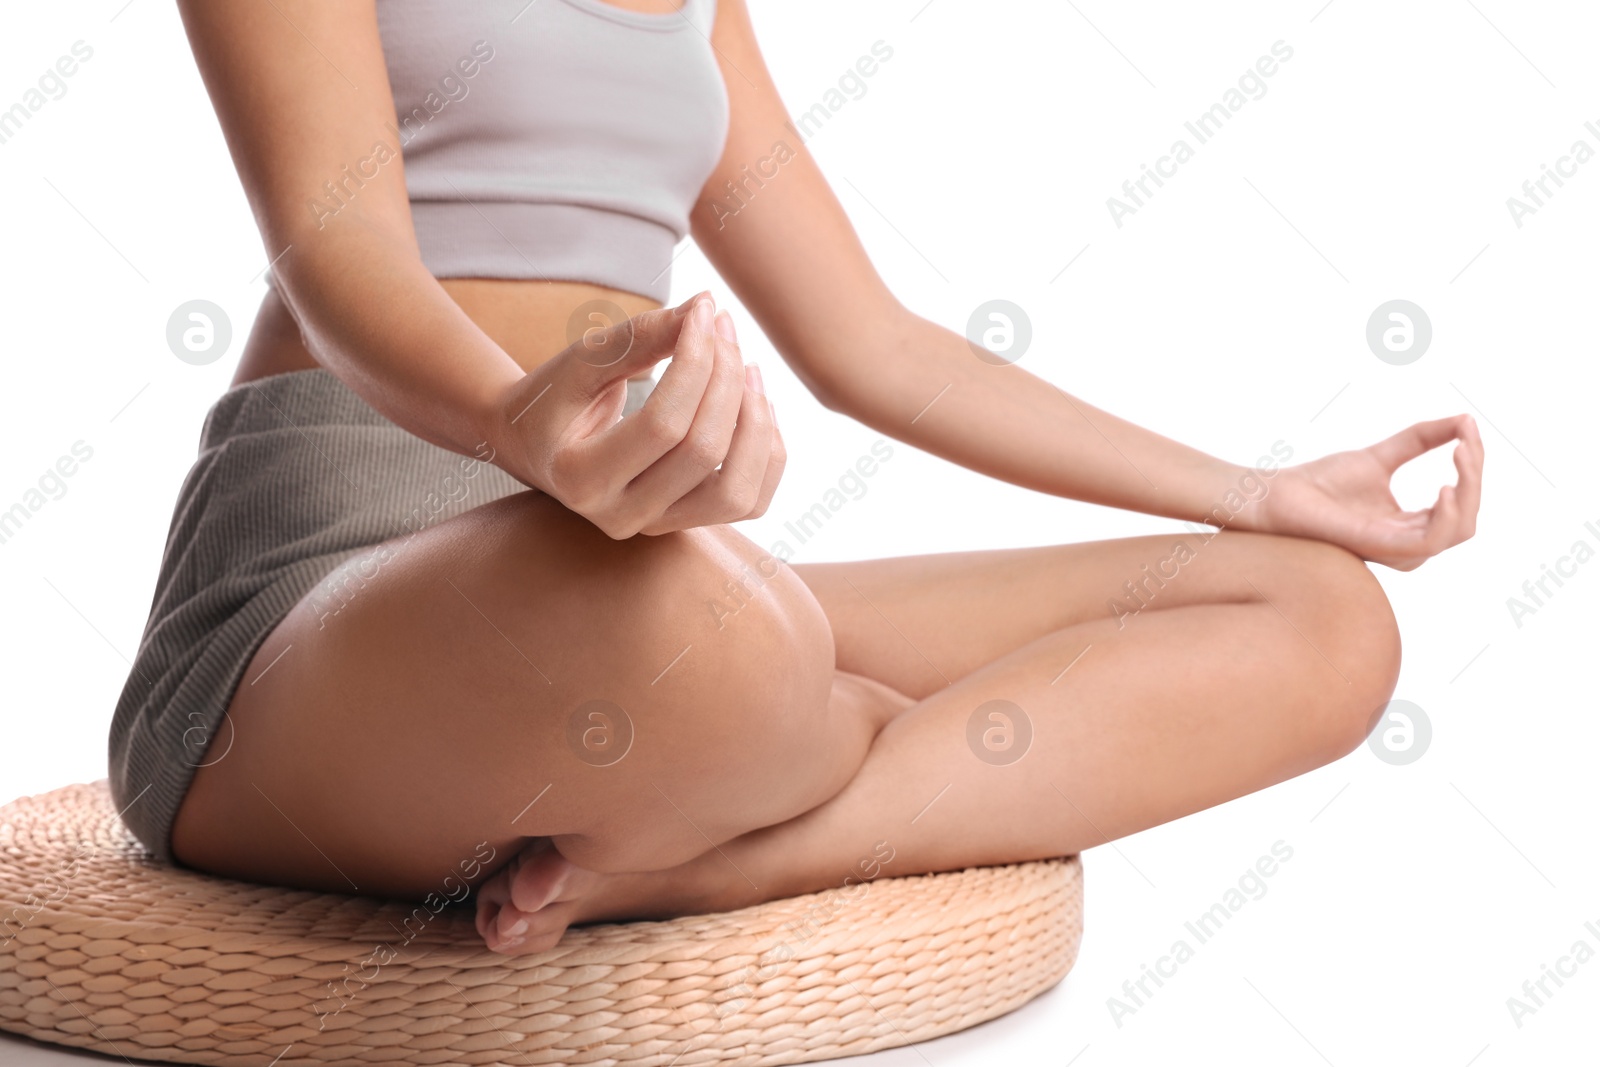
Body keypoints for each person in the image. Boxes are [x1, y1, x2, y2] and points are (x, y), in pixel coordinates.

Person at [108, 0, 1482, 958]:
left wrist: (1258, 492)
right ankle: (786, 744)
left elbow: (871, 344)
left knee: (1319, 616)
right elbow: (337, 251)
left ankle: (726, 858)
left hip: (600, 569)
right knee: (736, 646)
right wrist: (520, 424)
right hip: (315, 602)